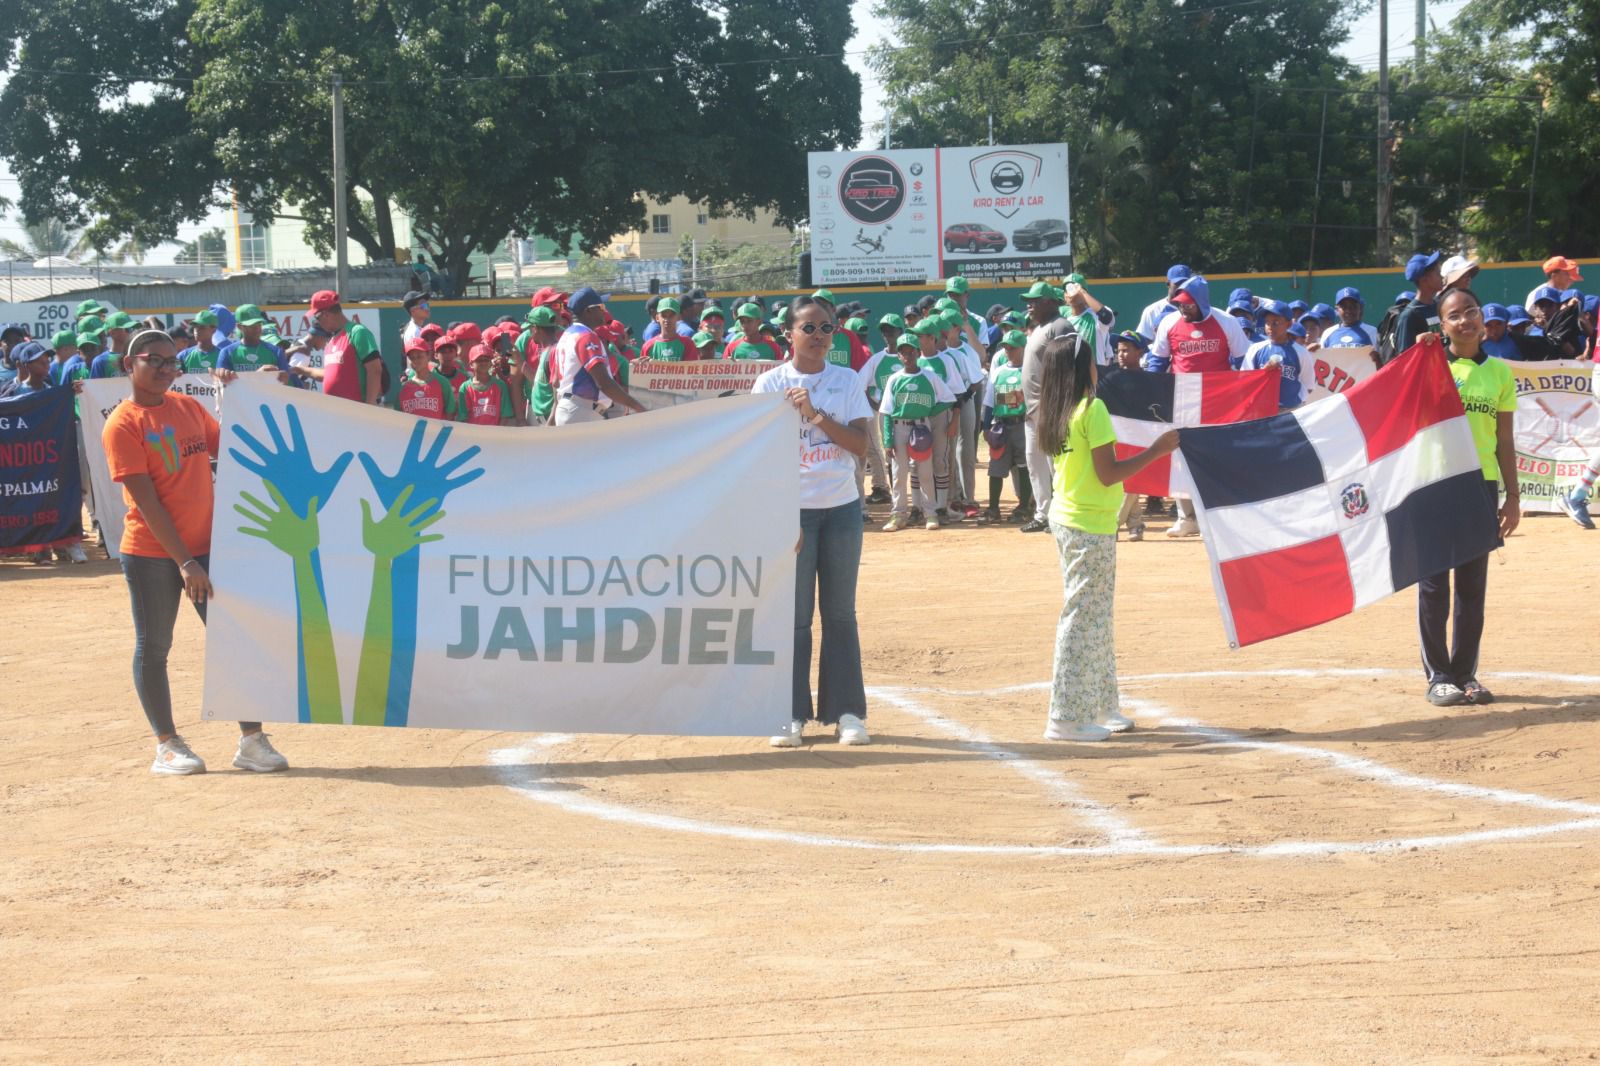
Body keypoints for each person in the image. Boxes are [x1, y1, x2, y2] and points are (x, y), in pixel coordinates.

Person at [101, 329, 289, 775]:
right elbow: (147, 505)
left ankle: (251, 740)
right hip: (151, 552)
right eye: (155, 361)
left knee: (231, 640)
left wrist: (250, 391)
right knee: (154, 646)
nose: (167, 369)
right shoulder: (122, 424)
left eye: (173, 362)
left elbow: (237, 447)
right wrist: (185, 563)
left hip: (207, 548)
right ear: (130, 365)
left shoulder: (188, 407)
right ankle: (167, 743)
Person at [1035, 332, 1178, 742]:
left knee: (1094, 616)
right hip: (1088, 524)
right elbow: (1109, 473)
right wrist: (1157, 449)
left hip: (1073, 519)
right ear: (1083, 368)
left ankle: (1099, 704)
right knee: (1083, 618)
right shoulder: (1090, 408)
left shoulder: (1055, 409)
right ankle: (1065, 716)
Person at [753, 295, 873, 748]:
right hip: (793, 512)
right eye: (810, 328)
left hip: (841, 507)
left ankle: (847, 713)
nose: (819, 336)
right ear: (789, 333)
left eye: (827, 328)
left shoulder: (846, 381)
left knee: (840, 614)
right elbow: (760, 459)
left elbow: (860, 445)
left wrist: (815, 415)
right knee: (795, 617)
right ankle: (789, 714)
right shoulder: (769, 384)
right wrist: (782, 514)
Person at [1412, 287, 1518, 708]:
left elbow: (1505, 439)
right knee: (1435, 586)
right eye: (1454, 315)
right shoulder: (1430, 364)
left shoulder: (1500, 374)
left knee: (1472, 588)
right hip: (1436, 483)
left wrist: (1511, 496)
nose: (1466, 320)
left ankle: (1465, 673)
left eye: (1471, 311)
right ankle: (1438, 676)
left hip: (1481, 486)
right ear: (1443, 325)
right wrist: (1417, 354)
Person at [880, 330, 959, 532]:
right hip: (899, 428)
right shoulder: (894, 379)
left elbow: (948, 399)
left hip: (922, 428)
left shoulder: (930, 376)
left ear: (918, 352)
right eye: (903, 353)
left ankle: (930, 513)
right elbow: (887, 412)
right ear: (899, 356)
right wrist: (887, 441)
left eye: (911, 351)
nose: (907, 356)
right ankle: (898, 514)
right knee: (899, 474)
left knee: (925, 472)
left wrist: (929, 411)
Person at [553, 287, 645, 425]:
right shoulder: (585, 336)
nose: (604, 310)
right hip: (581, 410)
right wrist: (638, 407)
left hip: (572, 408)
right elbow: (603, 382)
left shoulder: (568, 335)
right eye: (600, 306)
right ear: (588, 311)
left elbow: (555, 383)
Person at [1020, 281, 1069, 533]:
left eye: (1035, 300)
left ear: (1049, 302)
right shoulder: (1040, 327)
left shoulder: (1060, 326)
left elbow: (1068, 365)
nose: (1029, 304)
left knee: (1055, 465)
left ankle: (1059, 515)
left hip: (1050, 407)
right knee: (1035, 462)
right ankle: (1043, 514)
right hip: (1032, 409)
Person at [980, 328, 1032, 524]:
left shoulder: (1030, 371)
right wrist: (985, 427)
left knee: (1024, 467)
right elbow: (990, 402)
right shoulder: (999, 372)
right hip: (1001, 425)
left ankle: (1024, 506)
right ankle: (993, 509)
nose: (1008, 351)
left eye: (1013, 348)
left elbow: (1032, 400)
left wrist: (1012, 399)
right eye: (1006, 348)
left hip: (1023, 425)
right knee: (996, 468)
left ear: (1023, 348)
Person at [1150, 274, 1249, 374]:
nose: (1183, 310)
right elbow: (1158, 361)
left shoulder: (1227, 321)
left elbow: (1244, 360)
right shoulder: (1168, 322)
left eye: (1188, 306)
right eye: (1180, 305)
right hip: (1182, 387)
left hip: (1217, 387)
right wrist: (1150, 382)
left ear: (1201, 304)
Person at [310, 290, 384, 404]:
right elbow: (331, 375)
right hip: (337, 413)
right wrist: (300, 370)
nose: (317, 323)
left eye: (316, 318)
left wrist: (370, 405)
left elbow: (374, 369)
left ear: (325, 314)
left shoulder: (357, 332)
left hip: (357, 411)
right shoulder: (331, 341)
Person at [1239, 300, 1309, 410]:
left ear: (1289, 324)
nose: (1270, 327)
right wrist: (1263, 372)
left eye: (1276, 322)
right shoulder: (1255, 349)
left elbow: (1308, 385)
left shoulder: (1301, 352)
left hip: (1290, 411)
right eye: (1267, 322)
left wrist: (1296, 404)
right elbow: (1244, 382)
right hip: (1262, 410)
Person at [1391, 251, 1445, 359]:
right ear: (1424, 279)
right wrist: (1418, 344)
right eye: (1438, 273)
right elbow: (1404, 359)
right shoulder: (1409, 315)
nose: (1442, 276)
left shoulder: (1440, 305)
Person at [217, 305, 288, 382]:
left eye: (259, 323)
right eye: (251, 325)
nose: (257, 328)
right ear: (239, 326)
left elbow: (285, 383)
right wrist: (257, 375)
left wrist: (281, 377)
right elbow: (222, 385)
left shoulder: (276, 352)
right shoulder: (227, 352)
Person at [393, 337, 459, 420]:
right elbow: (397, 418)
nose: (416, 360)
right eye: (412, 358)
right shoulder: (404, 388)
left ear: (428, 356)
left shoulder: (442, 383)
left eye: (419, 356)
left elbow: (450, 414)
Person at [1061, 274, 1116, 365]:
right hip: (1073, 374)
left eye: (1075, 289)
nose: (1072, 293)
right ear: (1064, 296)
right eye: (1067, 290)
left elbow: (1107, 318)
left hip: (1097, 373)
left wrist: (1082, 292)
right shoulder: (1064, 319)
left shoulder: (1095, 315)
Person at [457, 344, 517, 426]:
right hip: (472, 436)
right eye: (479, 360)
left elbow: (505, 416)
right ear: (471, 364)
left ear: (490, 363)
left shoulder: (500, 386)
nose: (483, 363)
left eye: (486, 359)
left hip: (495, 435)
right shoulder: (465, 388)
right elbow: (463, 418)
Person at [1136, 264, 1191, 341]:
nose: (1182, 287)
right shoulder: (1152, 310)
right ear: (1168, 284)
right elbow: (1142, 344)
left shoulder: (1194, 309)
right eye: (1178, 284)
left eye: (1185, 283)